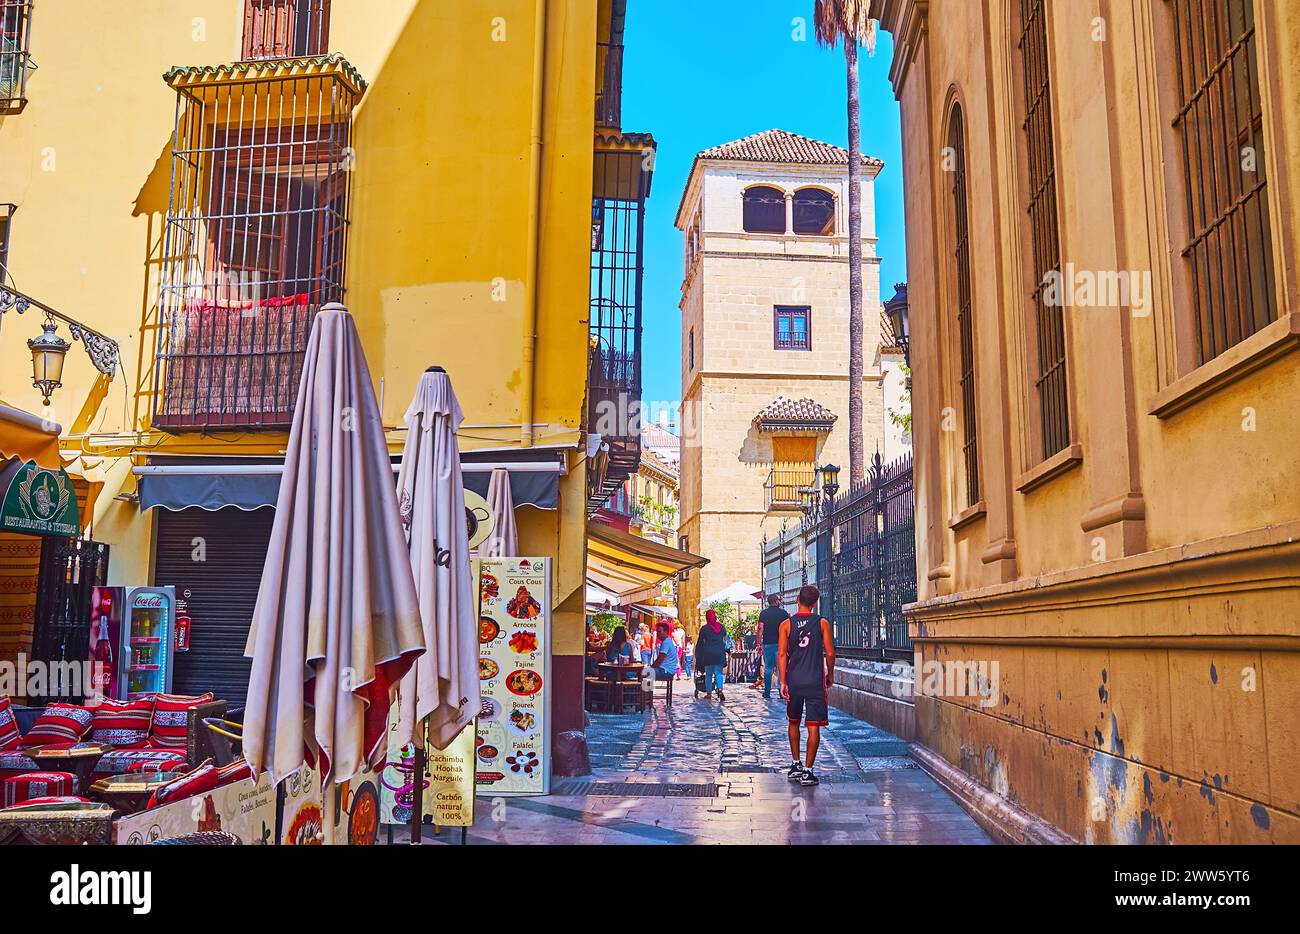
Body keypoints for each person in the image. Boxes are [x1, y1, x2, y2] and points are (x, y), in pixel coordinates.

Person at [778, 584, 835, 787]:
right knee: (813, 726)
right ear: (815, 603)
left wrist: (783, 681)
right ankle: (808, 771)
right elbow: (830, 653)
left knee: (793, 721)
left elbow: (782, 654)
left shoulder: (786, 624)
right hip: (814, 681)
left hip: (794, 680)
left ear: (797, 600)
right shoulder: (822, 623)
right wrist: (830, 674)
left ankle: (796, 764)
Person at [757, 594, 789, 700]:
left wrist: (758, 643)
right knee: (781, 668)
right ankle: (781, 691)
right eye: (779, 600)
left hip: (768, 644)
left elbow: (760, 628)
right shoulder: (783, 614)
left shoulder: (764, 613)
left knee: (768, 669)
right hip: (781, 644)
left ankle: (767, 692)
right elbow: (789, 629)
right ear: (776, 601)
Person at [695, 609, 728, 702]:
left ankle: (709, 694)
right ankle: (720, 690)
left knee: (708, 674)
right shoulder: (721, 627)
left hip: (708, 653)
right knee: (718, 673)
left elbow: (700, 642)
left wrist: (698, 653)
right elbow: (725, 638)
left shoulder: (705, 628)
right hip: (719, 652)